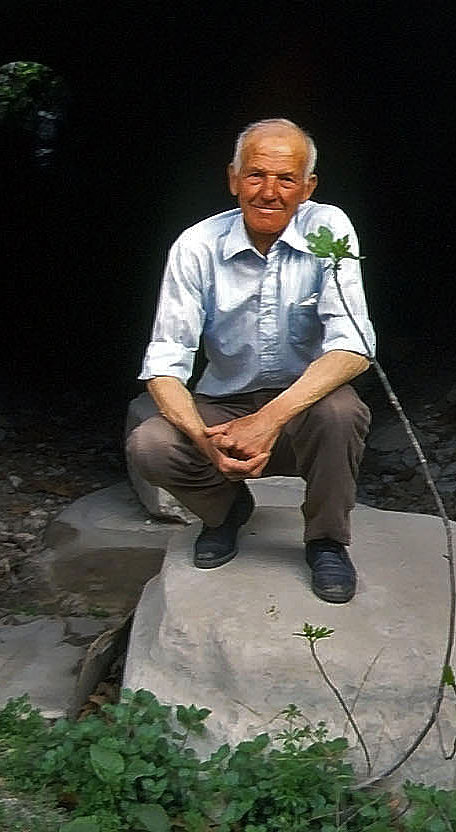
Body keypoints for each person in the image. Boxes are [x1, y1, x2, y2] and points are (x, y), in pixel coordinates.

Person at [125, 118, 375, 603]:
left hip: (302, 410)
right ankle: (226, 511)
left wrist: (268, 420)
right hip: (226, 410)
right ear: (233, 180)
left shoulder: (329, 231)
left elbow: (354, 347)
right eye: (256, 175)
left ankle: (326, 540)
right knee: (150, 444)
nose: (269, 191)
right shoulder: (196, 246)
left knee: (341, 411)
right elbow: (165, 360)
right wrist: (205, 438)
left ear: (308, 188)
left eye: (286, 179)